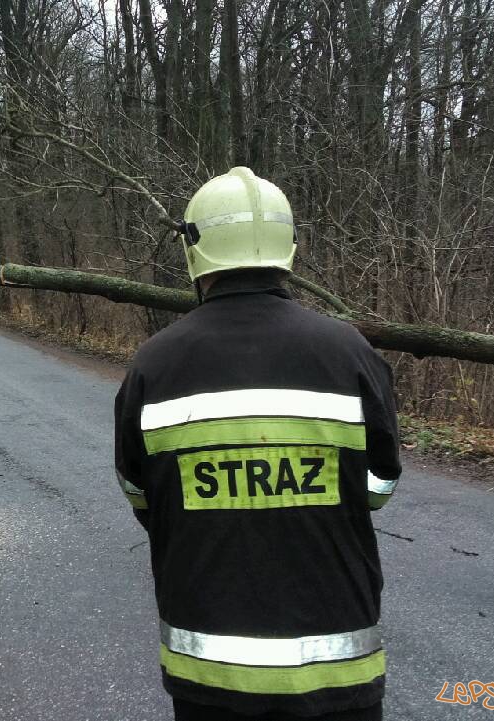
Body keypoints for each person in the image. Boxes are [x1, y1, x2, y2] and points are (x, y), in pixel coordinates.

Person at [114, 167, 402, 721]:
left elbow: (140, 492)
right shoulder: (350, 352)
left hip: (208, 673)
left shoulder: (154, 364)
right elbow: (379, 484)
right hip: (336, 666)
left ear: (194, 251)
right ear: (288, 246)